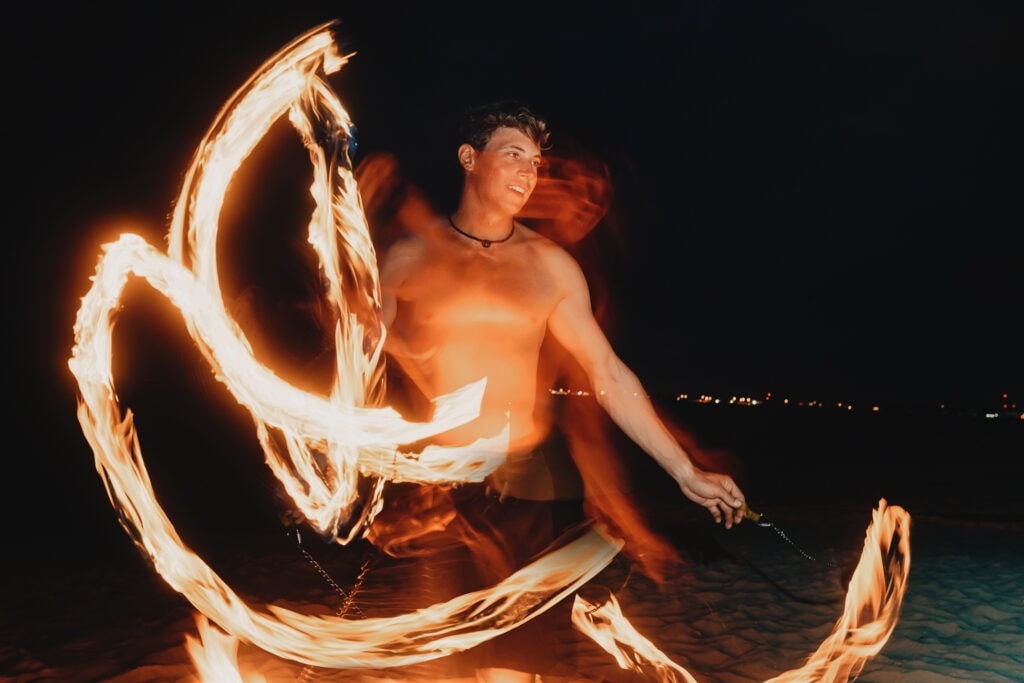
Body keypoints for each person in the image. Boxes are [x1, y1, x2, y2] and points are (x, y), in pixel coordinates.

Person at [371, 100, 747, 682]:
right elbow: (360, 354)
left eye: (537, 162)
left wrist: (684, 470)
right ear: (469, 158)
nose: (528, 173)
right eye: (513, 155)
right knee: (445, 669)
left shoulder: (550, 267)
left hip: (527, 491)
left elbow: (609, 375)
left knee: (516, 671)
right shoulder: (408, 256)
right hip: (441, 494)